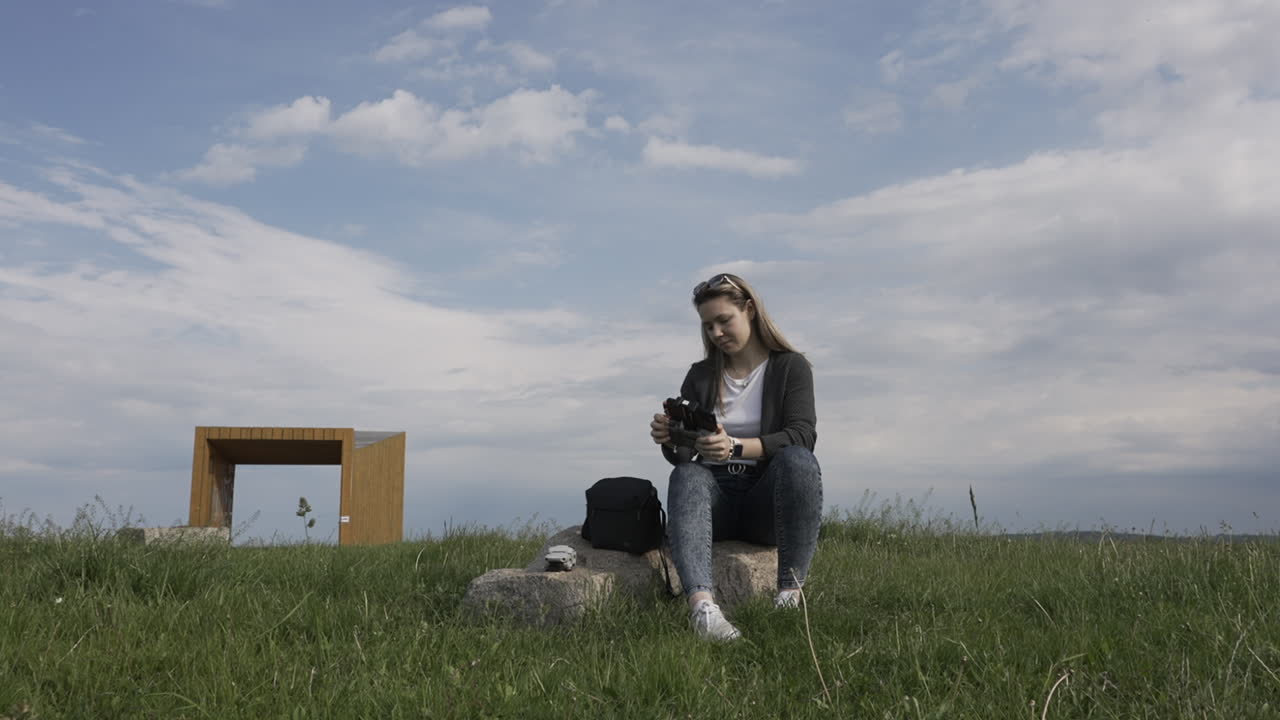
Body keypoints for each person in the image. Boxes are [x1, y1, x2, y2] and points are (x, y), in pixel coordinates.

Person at [649, 273, 822, 641]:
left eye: (723, 320)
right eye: (708, 326)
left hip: (766, 499)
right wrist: (669, 438)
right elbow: (682, 456)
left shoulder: (790, 367)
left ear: (749, 310)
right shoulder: (700, 375)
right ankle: (703, 610)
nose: (716, 333)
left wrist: (735, 447)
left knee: (799, 461)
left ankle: (790, 596)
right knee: (688, 476)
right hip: (717, 499)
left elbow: (802, 436)